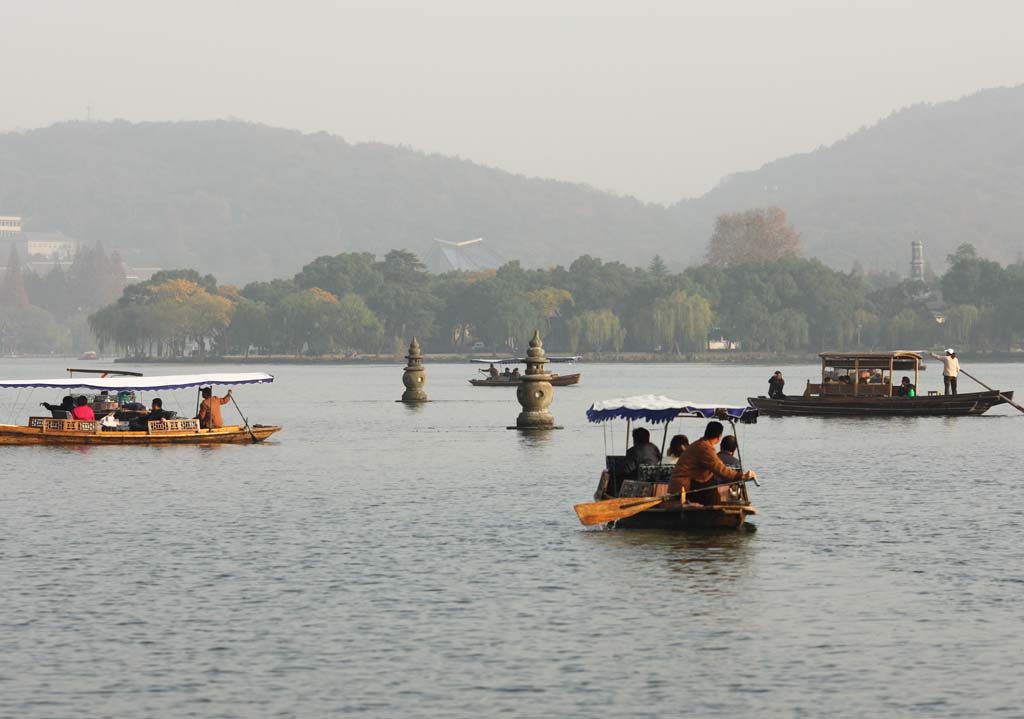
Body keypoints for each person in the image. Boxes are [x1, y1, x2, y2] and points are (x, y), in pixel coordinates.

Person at [668, 421, 756, 506]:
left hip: (684, 483)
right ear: (719, 437)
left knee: (711, 484)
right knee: (712, 490)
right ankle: (717, 513)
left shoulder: (701, 444)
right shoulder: (705, 448)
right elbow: (720, 469)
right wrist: (741, 476)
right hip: (683, 485)